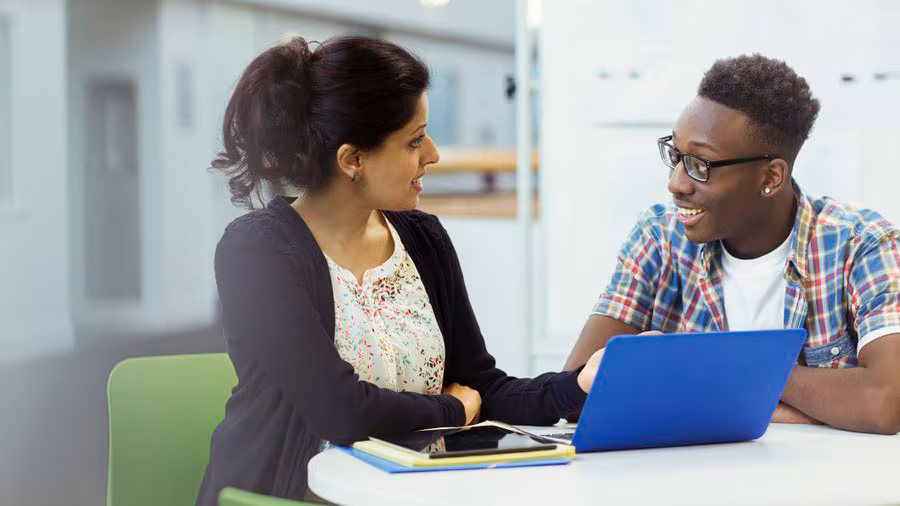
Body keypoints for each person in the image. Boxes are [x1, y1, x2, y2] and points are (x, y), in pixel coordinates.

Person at [195, 35, 604, 505]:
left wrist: (578, 384)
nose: (432, 154)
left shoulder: (423, 239)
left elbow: (483, 389)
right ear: (352, 160)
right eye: (414, 140)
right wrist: (452, 409)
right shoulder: (257, 251)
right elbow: (339, 411)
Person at [564, 54, 900, 435]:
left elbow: (885, 401)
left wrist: (722, 373)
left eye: (700, 165)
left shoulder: (862, 244)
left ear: (770, 177)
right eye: (675, 155)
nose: (676, 183)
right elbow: (576, 392)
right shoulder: (659, 237)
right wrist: (779, 404)